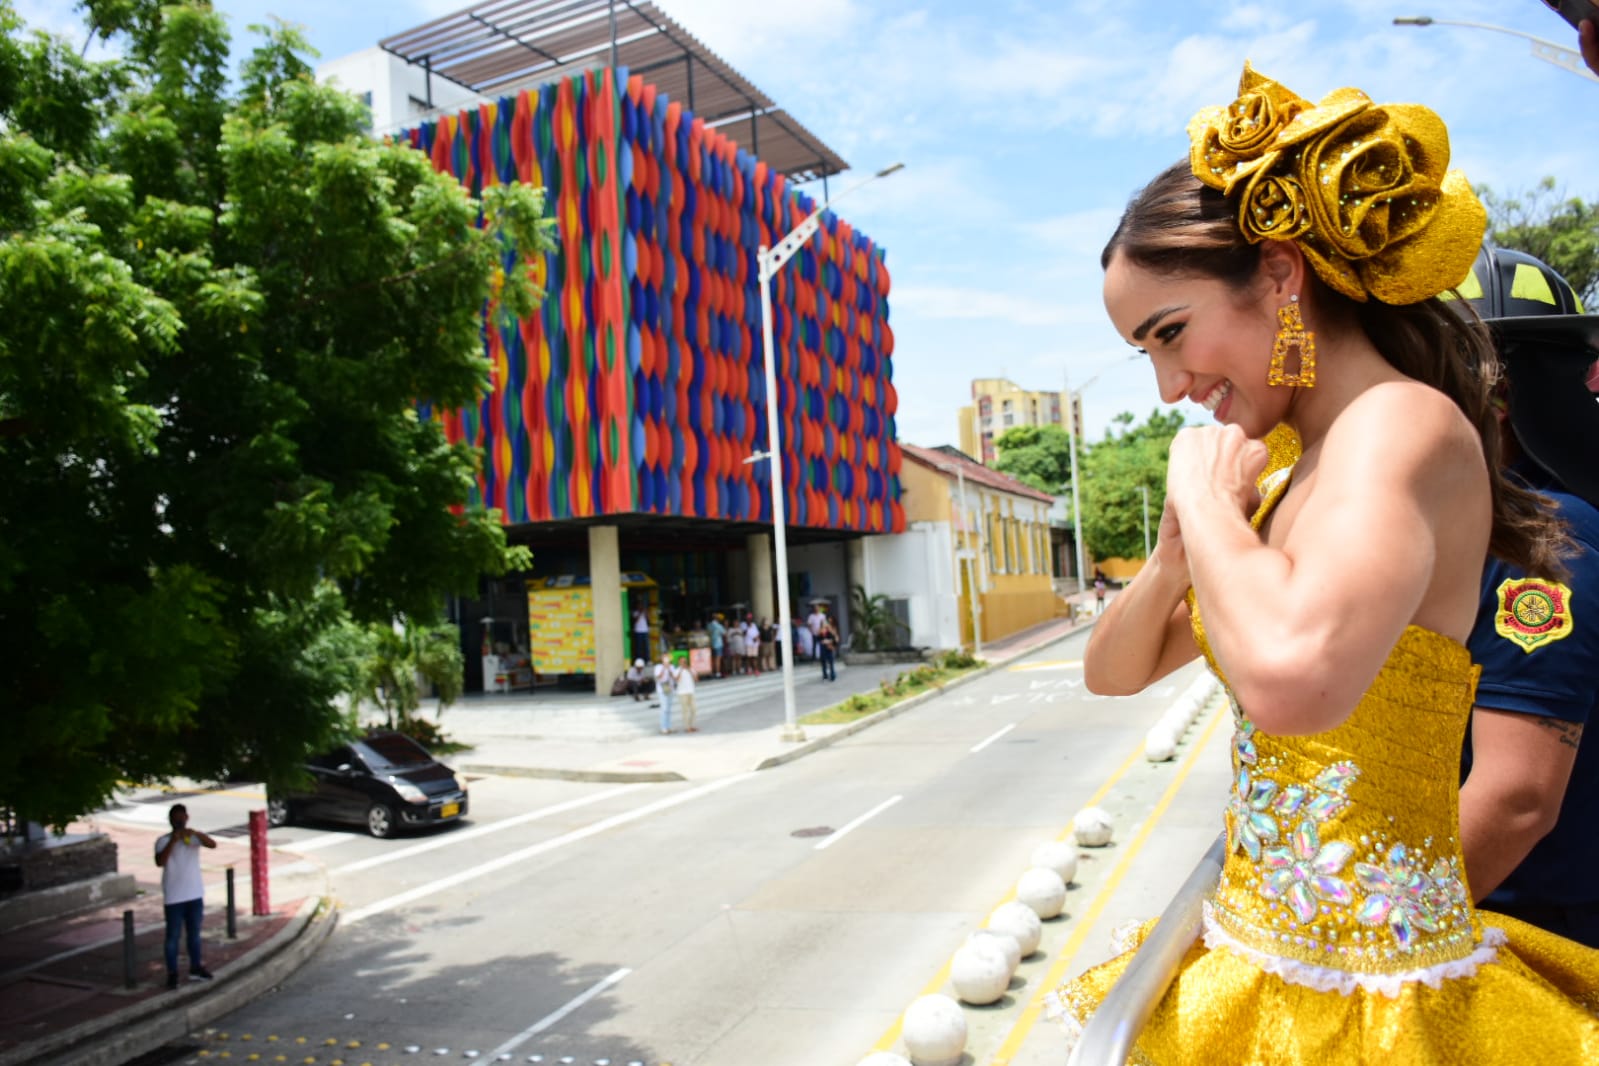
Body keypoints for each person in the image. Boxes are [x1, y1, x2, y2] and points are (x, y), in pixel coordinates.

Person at [1050, 64, 1599, 1062]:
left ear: (1281, 275)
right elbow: (1114, 669)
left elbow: (1295, 678)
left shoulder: (1403, 423)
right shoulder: (1290, 470)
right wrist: (1180, 548)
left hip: (1378, 1002)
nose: (1171, 385)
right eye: (1146, 354)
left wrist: (1208, 504)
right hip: (1265, 968)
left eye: (1172, 334)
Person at [1454, 247, 1599, 948]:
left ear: (1495, 397)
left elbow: (1514, 801)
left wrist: (1362, 949)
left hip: (1538, 940)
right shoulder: (1462, 524)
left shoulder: (1538, 541)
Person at [154, 804, 217, 989]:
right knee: (172, 937)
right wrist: (174, 840)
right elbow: (160, 862)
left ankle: (196, 967)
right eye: (176, 819)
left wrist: (195, 834)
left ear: (186, 818)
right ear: (170, 821)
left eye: (181, 819)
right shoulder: (163, 841)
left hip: (194, 894)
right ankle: (172, 973)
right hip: (174, 897)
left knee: (194, 935)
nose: (179, 822)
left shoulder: (192, 839)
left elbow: (212, 844)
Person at [670, 654, 698, 732]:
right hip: (682, 693)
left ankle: (692, 725)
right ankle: (687, 727)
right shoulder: (677, 670)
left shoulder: (691, 669)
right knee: (685, 710)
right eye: (681, 661)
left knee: (694, 709)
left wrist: (689, 670)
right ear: (679, 662)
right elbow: (677, 680)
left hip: (691, 691)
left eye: (684, 661)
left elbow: (696, 679)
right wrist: (681, 670)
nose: (683, 663)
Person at [652, 652, 676, 734]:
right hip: (662, 690)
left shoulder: (672, 666)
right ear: (662, 659)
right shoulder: (658, 667)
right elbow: (658, 676)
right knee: (664, 708)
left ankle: (668, 726)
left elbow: (674, 677)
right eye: (664, 657)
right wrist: (664, 668)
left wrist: (669, 668)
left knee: (669, 708)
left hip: (670, 689)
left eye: (667, 657)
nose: (666, 659)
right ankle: (663, 727)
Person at [706, 614, 725, 679]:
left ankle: (712, 672)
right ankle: (718, 673)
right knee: (718, 659)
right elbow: (724, 633)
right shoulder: (719, 626)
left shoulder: (709, 625)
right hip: (718, 644)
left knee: (712, 659)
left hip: (711, 644)